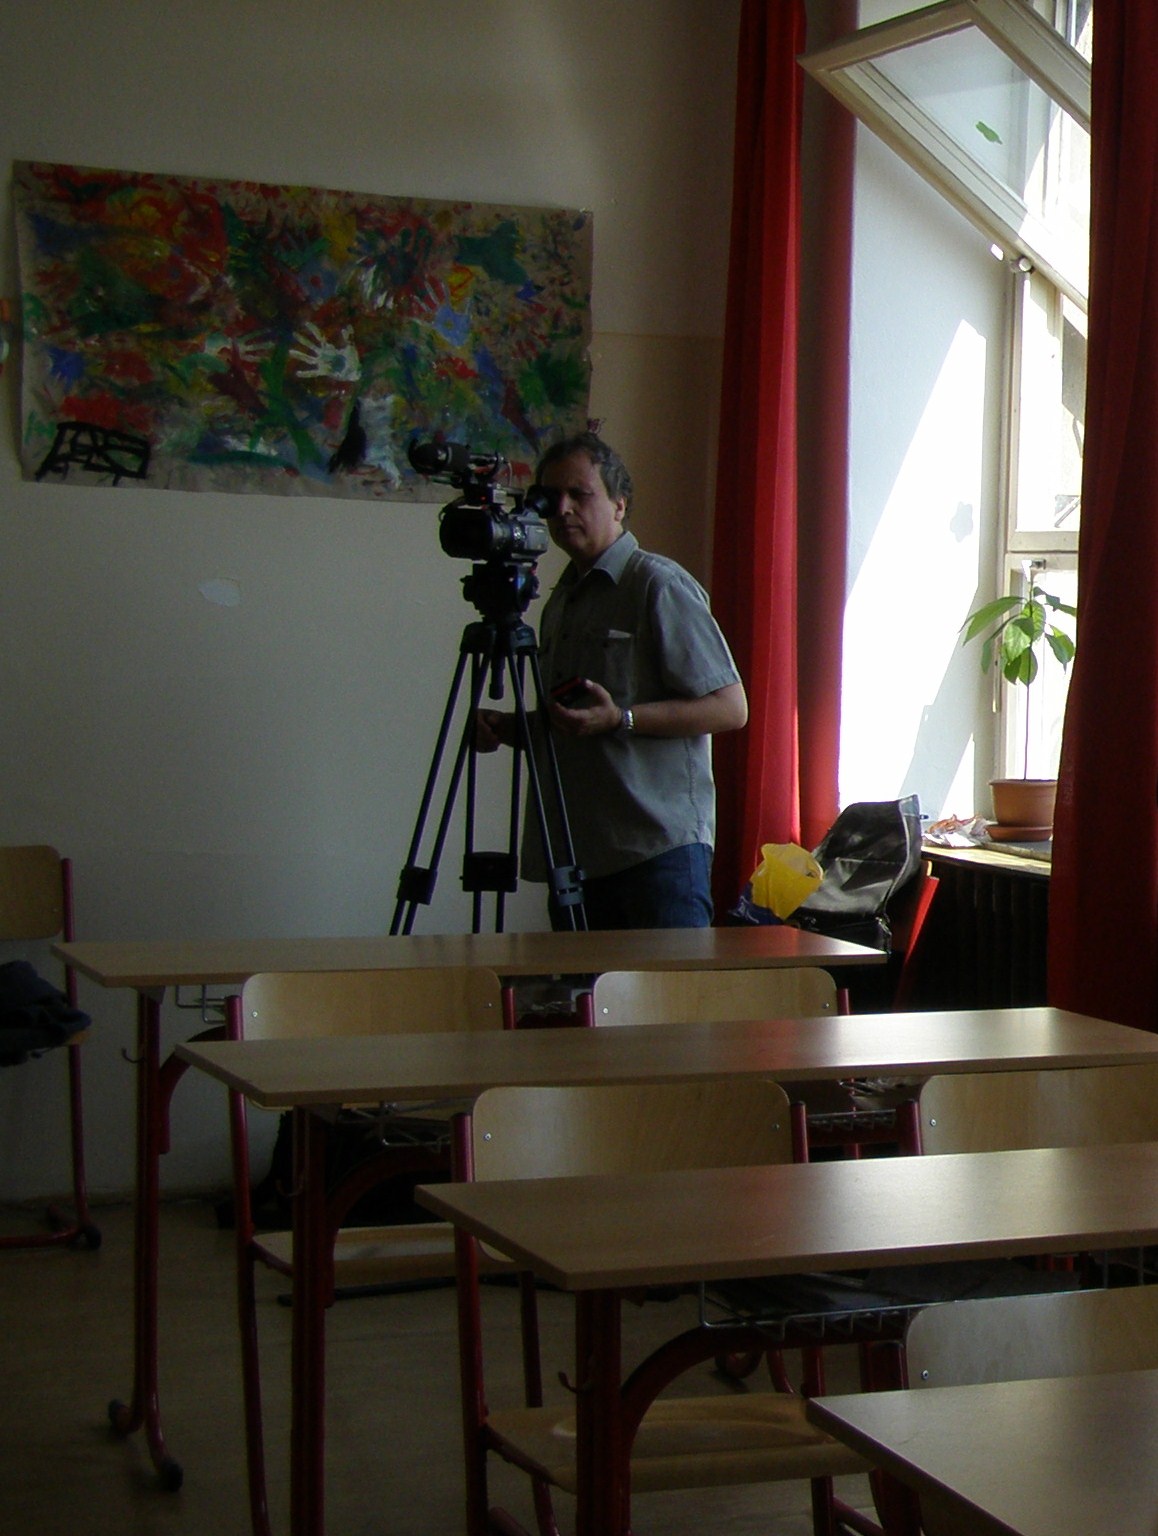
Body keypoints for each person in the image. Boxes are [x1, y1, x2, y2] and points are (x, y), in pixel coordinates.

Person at [476, 431, 747, 928]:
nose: (563, 509)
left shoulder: (658, 584)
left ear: (619, 505)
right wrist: (510, 728)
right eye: (551, 497)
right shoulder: (561, 599)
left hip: (655, 853)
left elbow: (730, 708)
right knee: (581, 983)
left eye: (579, 494)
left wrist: (621, 719)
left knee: (668, 984)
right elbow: (578, 720)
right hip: (577, 852)